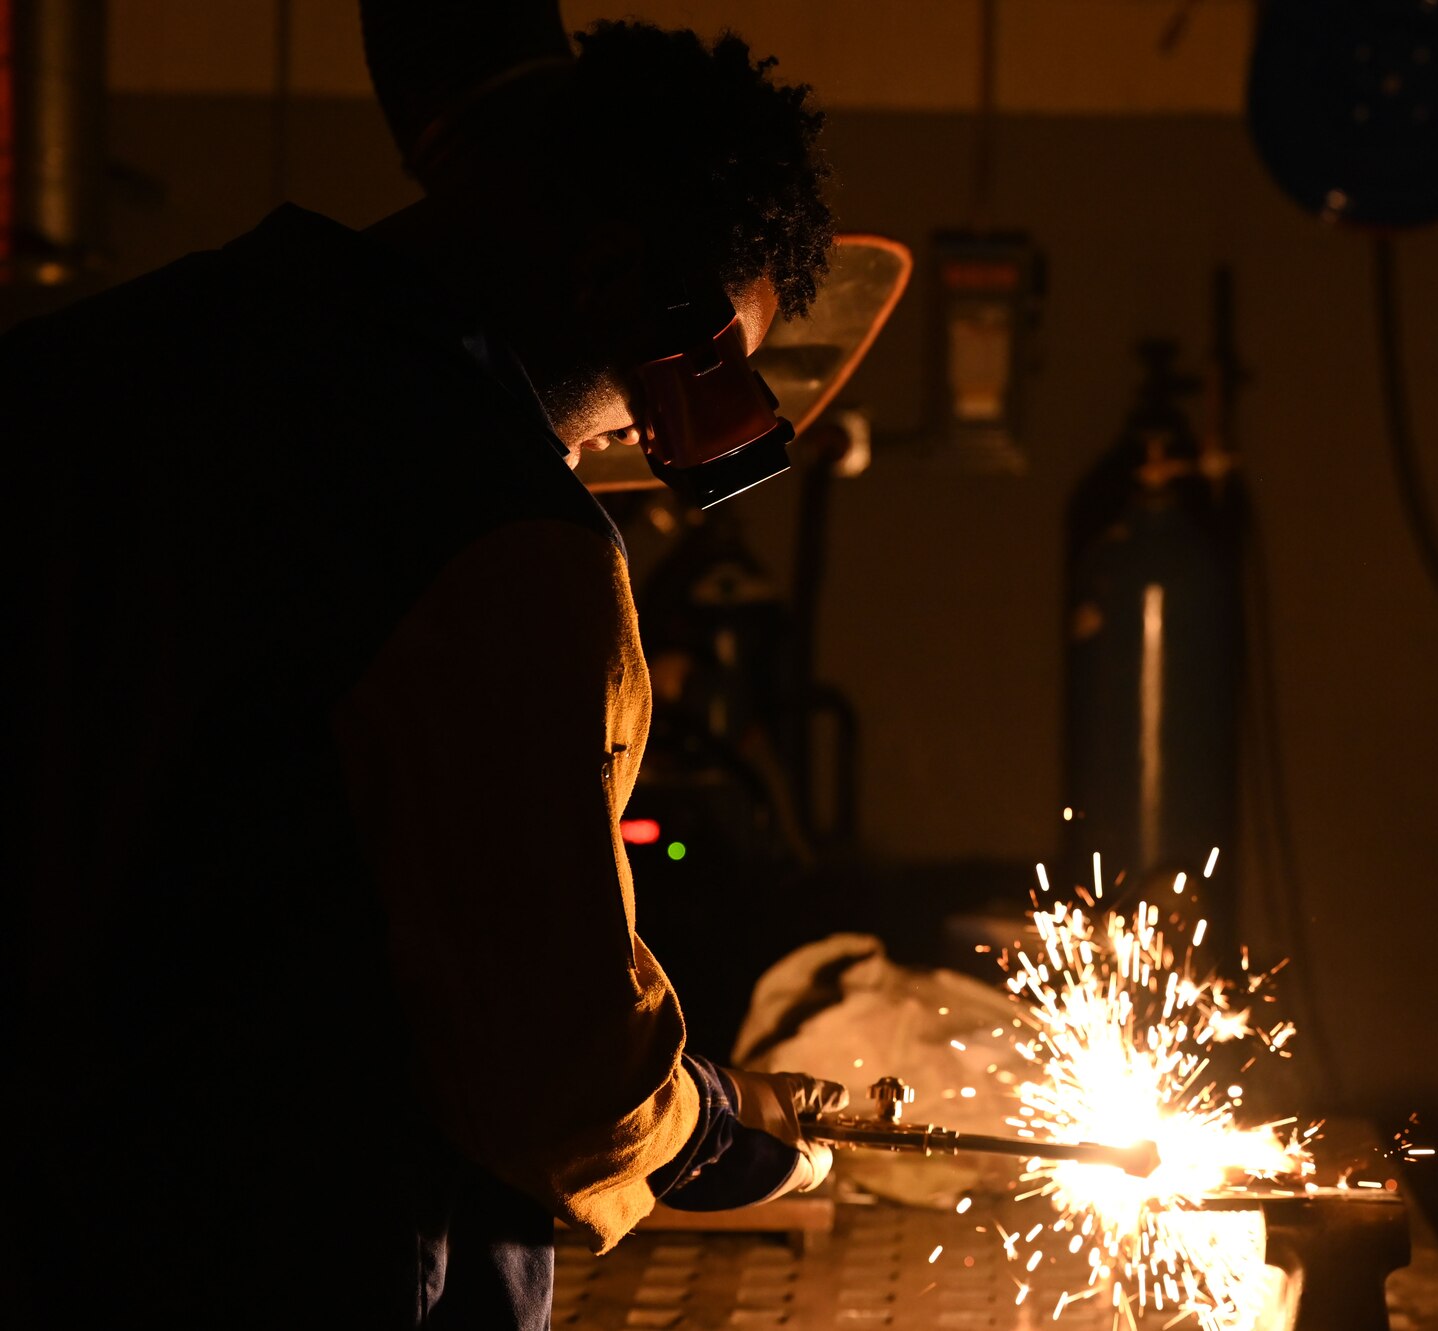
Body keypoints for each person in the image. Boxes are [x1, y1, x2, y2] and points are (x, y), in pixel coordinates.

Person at [2, 13, 846, 1326]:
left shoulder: (110, 367)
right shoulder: (496, 533)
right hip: (277, 1261)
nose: (643, 423)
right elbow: (559, 1080)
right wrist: (714, 1128)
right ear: (619, 277)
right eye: (707, 362)